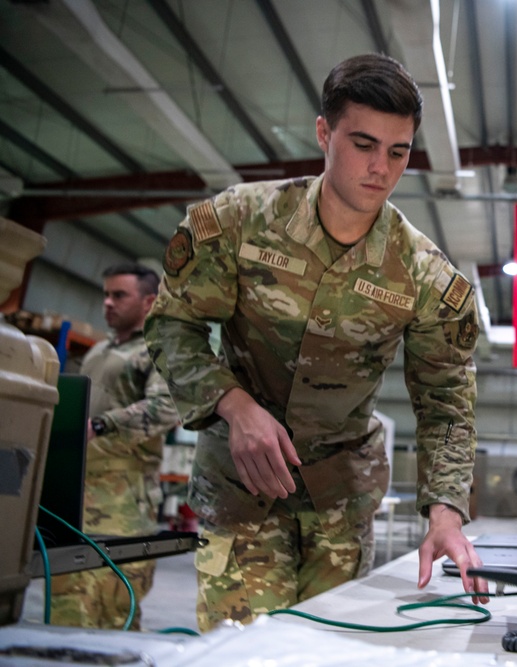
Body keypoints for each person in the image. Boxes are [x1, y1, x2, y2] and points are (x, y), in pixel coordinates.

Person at [144, 53, 487, 632]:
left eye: (398, 152)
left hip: (340, 501)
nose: (380, 167)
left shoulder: (424, 275)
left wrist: (446, 511)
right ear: (324, 132)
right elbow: (171, 323)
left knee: (327, 650)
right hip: (240, 488)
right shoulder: (240, 222)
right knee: (243, 654)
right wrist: (234, 404)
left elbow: (446, 401)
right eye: (363, 144)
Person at [51, 263, 179, 630]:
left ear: (149, 301)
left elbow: (166, 407)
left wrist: (103, 424)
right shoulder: (98, 352)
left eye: (119, 295)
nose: (107, 303)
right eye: (105, 294)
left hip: (123, 506)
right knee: (67, 607)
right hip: (77, 497)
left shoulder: (159, 350)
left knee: (111, 611)